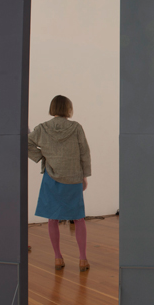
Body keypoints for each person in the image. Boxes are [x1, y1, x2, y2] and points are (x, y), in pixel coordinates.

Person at [28, 95, 92, 272]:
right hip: (73, 177)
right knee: (78, 218)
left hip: (51, 177)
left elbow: (27, 143)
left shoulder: (42, 128)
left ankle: (57, 258)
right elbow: (84, 153)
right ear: (68, 109)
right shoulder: (76, 128)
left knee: (52, 219)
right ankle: (82, 259)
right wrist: (84, 175)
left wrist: (42, 157)